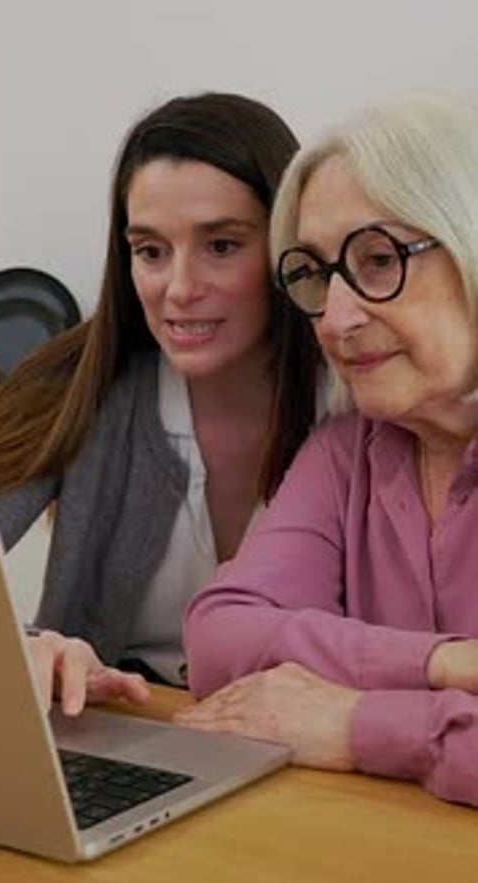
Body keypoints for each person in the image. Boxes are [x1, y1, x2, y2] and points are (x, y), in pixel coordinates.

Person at [178, 92, 478, 808]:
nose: (337, 319)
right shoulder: (348, 449)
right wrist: (440, 664)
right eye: (315, 274)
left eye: (379, 259)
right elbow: (219, 642)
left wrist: (355, 721)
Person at [0, 92, 319, 714]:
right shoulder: (70, 381)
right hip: (120, 735)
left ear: (286, 248)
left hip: (305, 750)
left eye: (221, 245)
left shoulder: (358, 403)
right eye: (150, 250)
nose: (179, 289)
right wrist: (27, 647)